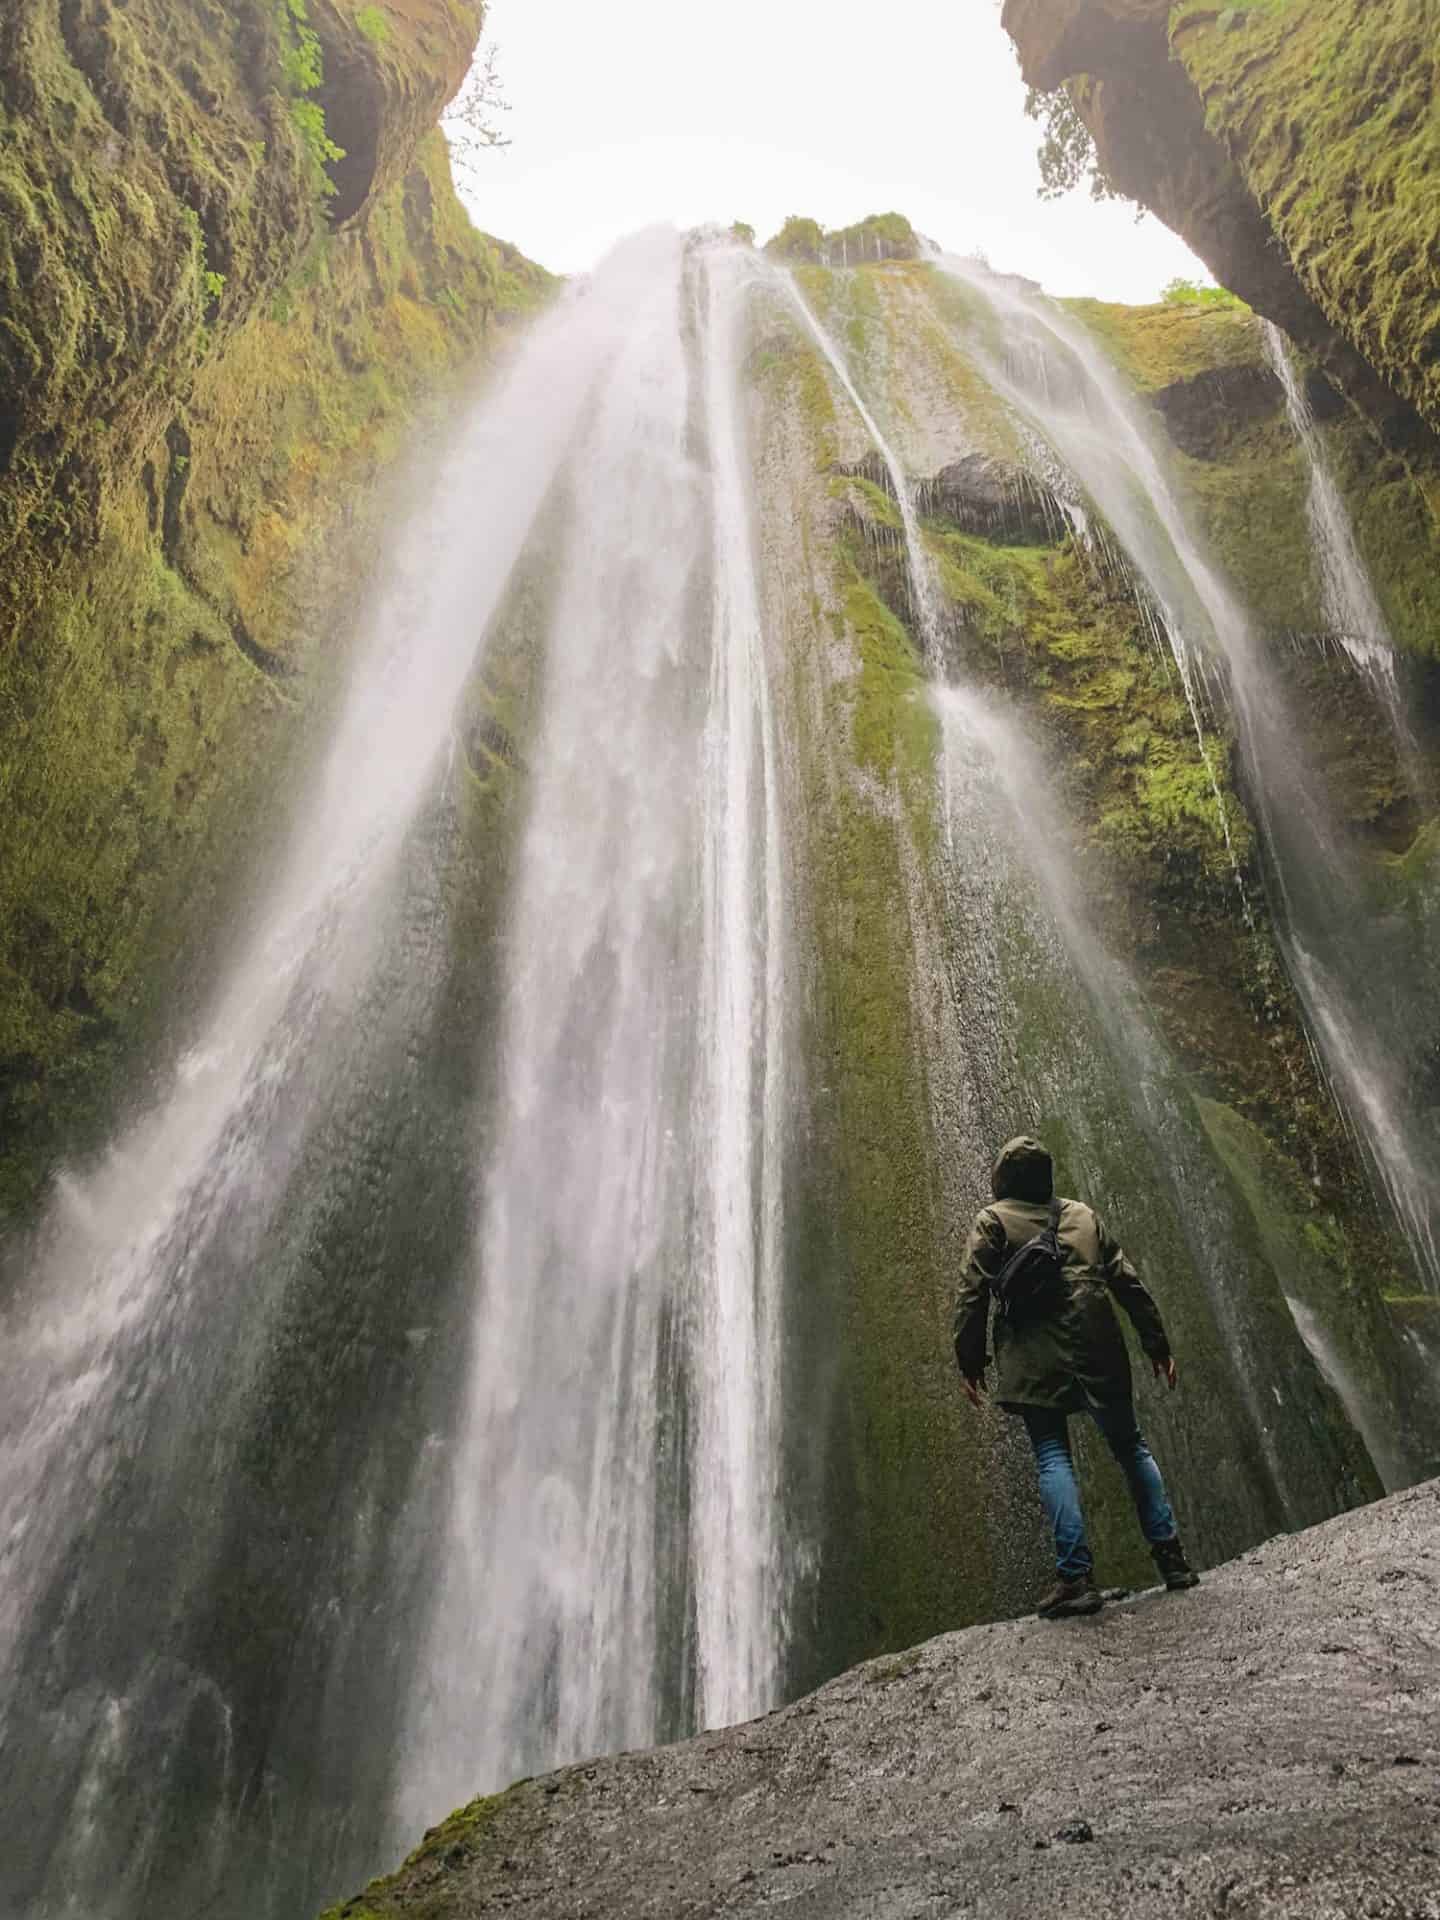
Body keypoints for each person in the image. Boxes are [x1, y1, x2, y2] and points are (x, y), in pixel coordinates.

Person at [953, 1134, 1200, 1618]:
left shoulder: (993, 1220)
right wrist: (1156, 1343)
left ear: (1002, 1179)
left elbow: (972, 1292)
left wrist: (970, 1360)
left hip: (1034, 1350)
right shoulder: (1083, 1215)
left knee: (1051, 1456)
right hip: (1098, 1344)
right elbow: (1128, 1282)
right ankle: (1172, 1558)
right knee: (1130, 1446)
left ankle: (1076, 1577)